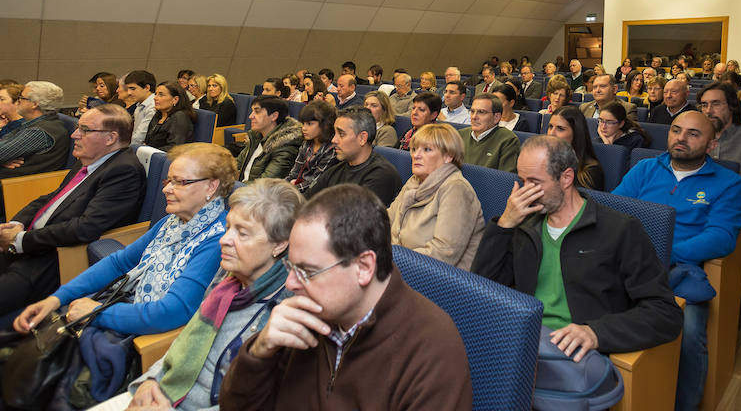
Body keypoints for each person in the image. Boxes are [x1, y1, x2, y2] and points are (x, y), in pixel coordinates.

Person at [218, 183, 472, 411]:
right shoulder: (307, 316)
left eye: (307, 271)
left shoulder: (432, 351)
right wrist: (259, 353)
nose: (291, 283)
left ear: (363, 267)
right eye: (291, 267)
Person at [472, 136, 682, 360]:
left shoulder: (620, 229)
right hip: (525, 341)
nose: (525, 193)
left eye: (535, 182)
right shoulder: (524, 224)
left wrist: (596, 332)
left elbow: (665, 312)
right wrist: (504, 225)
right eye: (522, 181)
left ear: (566, 178)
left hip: (577, 353)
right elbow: (482, 288)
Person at [14, 142, 236, 350]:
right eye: (168, 181)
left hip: (152, 342)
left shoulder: (216, 240)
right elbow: (120, 262)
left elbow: (171, 313)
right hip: (131, 310)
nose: (166, 189)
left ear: (211, 186)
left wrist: (97, 313)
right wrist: (57, 298)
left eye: (180, 182)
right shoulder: (173, 221)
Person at [123, 179, 298, 411]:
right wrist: (150, 381)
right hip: (169, 394)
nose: (224, 240)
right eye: (228, 228)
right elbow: (184, 343)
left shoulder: (287, 310)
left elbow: (266, 403)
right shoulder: (227, 280)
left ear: (279, 245)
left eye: (242, 233)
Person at [612, 111, 741, 411]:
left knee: (690, 334)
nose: (681, 138)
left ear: (711, 145)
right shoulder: (645, 168)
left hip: (680, 270)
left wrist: (663, 251)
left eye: (693, 134)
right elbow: (615, 207)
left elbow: (721, 237)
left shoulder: (728, 183)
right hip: (628, 260)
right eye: (676, 130)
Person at [0, 105, 145, 315]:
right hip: (29, 245)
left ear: (110, 138)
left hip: (52, 260)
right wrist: (15, 225)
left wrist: (20, 240)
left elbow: (85, 228)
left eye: (84, 130)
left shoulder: (124, 171)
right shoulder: (89, 159)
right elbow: (50, 198)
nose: (74, 134)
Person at [386, 124, 484, 270]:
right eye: (414, 149)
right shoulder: (415, 180)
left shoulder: (456, 189)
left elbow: (443, 253)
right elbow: (387, 219)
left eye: (427, 149)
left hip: (435, 281)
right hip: (400, 265)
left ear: (448, 156)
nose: (416, 155)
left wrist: (390, 258)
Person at [304, 107, 402, 206]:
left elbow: (355, 218)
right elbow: (306, 201)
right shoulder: (335, 170)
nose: (334, 140)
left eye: (341, 134)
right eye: (335, 133)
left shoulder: (382, 176)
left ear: (362, 138)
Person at [0, 81, 70, 180]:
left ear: (34, 104)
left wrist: (3, 159)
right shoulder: (35, 123)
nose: (18, 101)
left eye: (22, 98)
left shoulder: (40, 132)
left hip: (17, 187)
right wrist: (4, 160)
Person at [236, 96, 304, 182]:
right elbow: (236, 165)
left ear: (274, 116)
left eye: (257, 112)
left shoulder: (286, 146)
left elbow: (264, 186)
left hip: (257, 193)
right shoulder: (256, 136)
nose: (250, 116)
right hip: (242, 189)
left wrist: (235, 188)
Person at [285, 100, 339, 195]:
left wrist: (288, 191)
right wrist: (280, 186)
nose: (304, 128)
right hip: (298, 189)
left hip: (316, 195)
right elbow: (294, 173)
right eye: (303, 123)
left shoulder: (331, 150)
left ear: (325, 125)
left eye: (309, 124)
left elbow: (315, 183)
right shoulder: (306, 144)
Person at [459, 94, 521, 173]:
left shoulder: (508, 141)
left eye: (481, 112)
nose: (474, 117)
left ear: (496, 117)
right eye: (472, 111)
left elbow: (505, 180)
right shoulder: (460, 135)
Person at [547, 106, 604, 190]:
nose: (551, 133)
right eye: (550, 126)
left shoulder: (590, 172)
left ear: (576, 133)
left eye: (560, 129)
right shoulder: (544, 158)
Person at [144, 81, 195, 151]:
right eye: (156, 94)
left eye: (161, 95)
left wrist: (150, 151)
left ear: (175, 100)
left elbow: (175, 148)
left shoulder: (180, 117)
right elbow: (148, 140)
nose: (155, 98)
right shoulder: (158, 115)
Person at [124, 70, 157, 146]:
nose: (129, 93)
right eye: (128, 89)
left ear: (147, 88)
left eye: (133, 89)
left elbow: (140, 137)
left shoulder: (153, 106)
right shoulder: (139, 105)